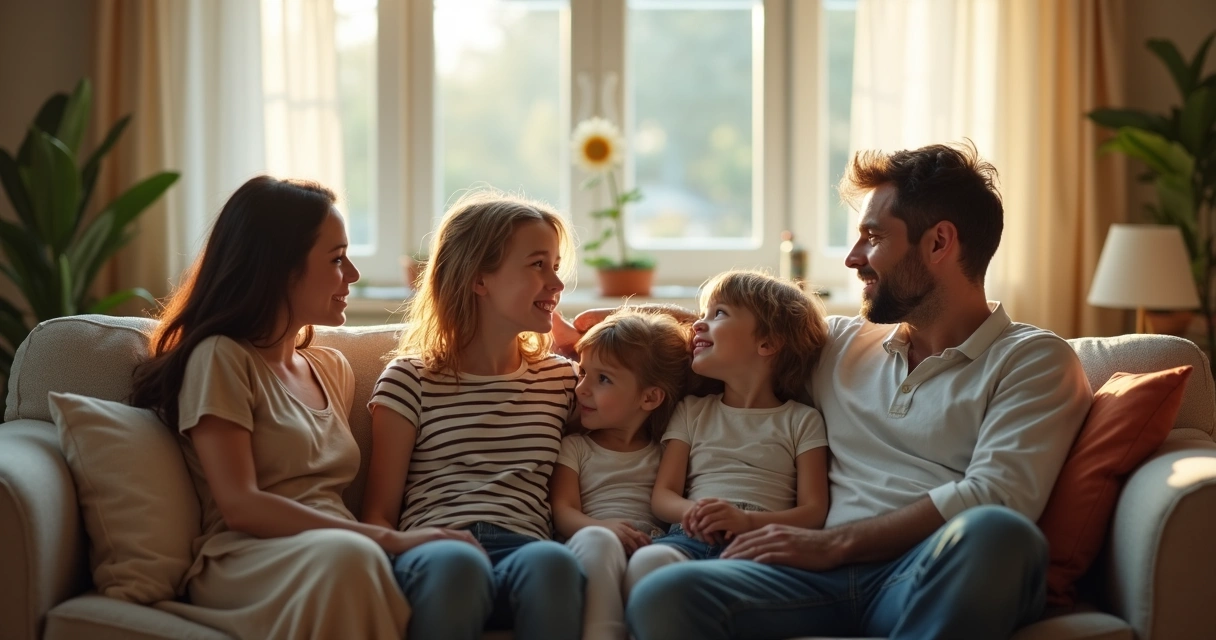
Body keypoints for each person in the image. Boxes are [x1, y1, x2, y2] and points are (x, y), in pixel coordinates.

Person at [570, 141, 1094, 639]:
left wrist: (833, 543)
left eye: (873, 237)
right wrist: (631, 329)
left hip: (921, 571)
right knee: (665, 592)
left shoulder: (1031, 360)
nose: (852, 257)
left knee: (1000, 535)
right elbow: (748, 337)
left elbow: (997, 495)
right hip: (805, 577)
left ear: (938, 242)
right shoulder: (842, 344)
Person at [130, 176, 409, 639]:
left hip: (341, 555)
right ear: (280, 268)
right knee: (353, 559)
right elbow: (241, 505)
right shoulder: (221, 357)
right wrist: (385, 538)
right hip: (249, 559)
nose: (353, 275)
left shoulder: (332, 369)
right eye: (337, 259)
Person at [360, 190, 585, 640]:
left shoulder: (562, 380)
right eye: (538, 264)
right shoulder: (410, 378)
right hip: (435, 551)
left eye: (556, 266)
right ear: (479, 279)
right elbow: (378, 515)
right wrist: (409, 546)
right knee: (458, 565)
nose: (557, 284)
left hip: (526, 550)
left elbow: (670, 372)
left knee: (555, 562)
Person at [630, 270, 830, 582]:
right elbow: (663, 495)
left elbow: (814, 510)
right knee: (648, 560)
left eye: (718, 313)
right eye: (702, 314)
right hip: (689, 537)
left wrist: (746, 521)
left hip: (759, 543)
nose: (698, 323)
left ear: (767, 343)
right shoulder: (692, 410)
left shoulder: (802, 420)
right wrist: (696, 514)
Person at [549, 308, 692, 640]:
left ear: (650, 397)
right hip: (589, 543)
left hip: (649, 546)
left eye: (603, 379)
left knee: (662, 559)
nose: (581, 389)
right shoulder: (575, 447)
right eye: (583, 372)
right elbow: (563, 511)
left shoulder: (667, 451)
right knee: (599, 542)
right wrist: (602, 528)